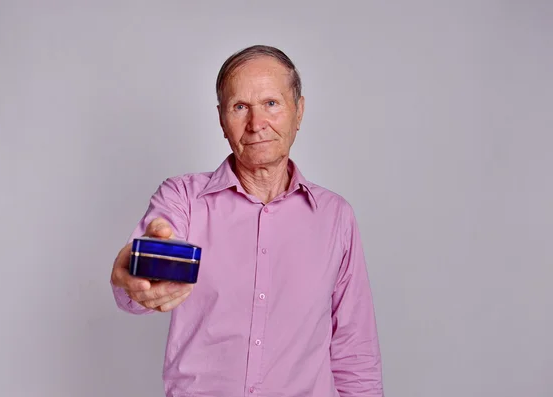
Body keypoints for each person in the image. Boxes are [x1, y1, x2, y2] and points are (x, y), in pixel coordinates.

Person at [110, 45, 383, 396]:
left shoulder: (336, 217)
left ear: (298, 112)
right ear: (222, 119)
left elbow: (355, 351)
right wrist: (135, 273)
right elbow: (143, 276)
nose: (257, 124)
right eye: (241, 108)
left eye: (272, 103)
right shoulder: (182, 199)